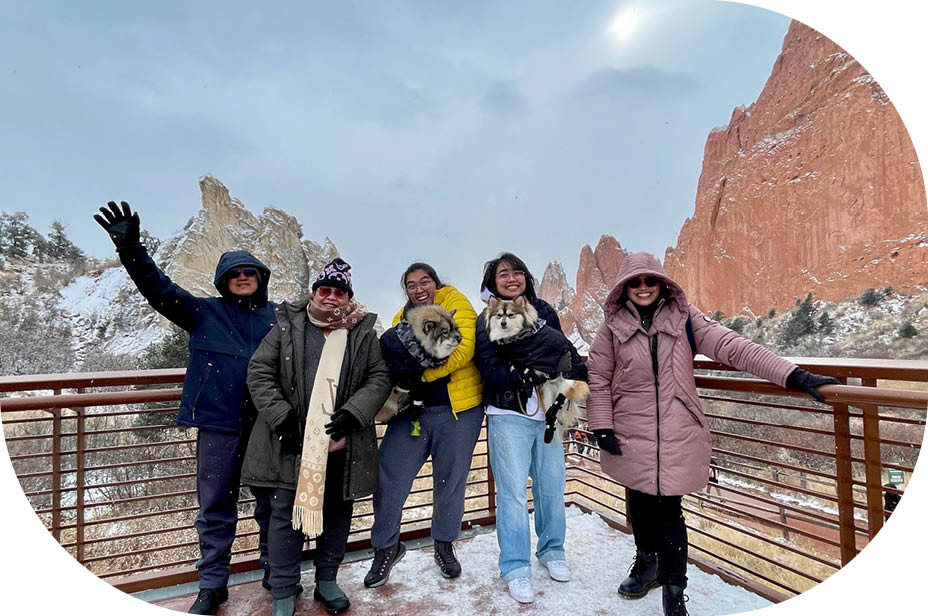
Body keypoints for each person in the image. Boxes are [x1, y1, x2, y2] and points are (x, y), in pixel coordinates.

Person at [586, 252, 839, 616]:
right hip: (630, 430)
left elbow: (733, 347)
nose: (643, 288)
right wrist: (602, 425)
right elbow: (598, 378)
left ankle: (674, 594)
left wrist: (793, 375)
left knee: (669, 510)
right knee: (640, 503)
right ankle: (646, 565)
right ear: (623, 289)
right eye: (635, 283)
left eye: (650, 281)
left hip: (677, 429)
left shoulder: (686, 318)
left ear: (662, 284)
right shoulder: (611, 326)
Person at [94, 201, 276, 614]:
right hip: (218, 425)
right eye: (235, 273)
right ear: (223, 280)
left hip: (268, 426)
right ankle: (213, 585)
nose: (243, 278)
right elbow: (157, 288)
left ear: (260, 278)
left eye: (249, 272)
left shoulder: (279, 318)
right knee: (215, 508)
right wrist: (131, 251)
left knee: (271, 504)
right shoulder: (202, 313)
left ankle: (275, 573)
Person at [242, 257, 391, 616]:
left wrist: (353, 413)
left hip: (343, 442)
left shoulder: (362, 333)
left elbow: (379, 378)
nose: (331, 297)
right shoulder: (286, 327)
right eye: (325, 290)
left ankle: (327, 580)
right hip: (291, 441)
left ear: (348, 297)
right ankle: (283, 590)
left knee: (338, 513)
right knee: (286, 517)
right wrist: (282, 418)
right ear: (314, 293)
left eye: (340, 292)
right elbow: (259, 371)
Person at [473, 252, 587, 604]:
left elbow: (566, 355)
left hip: (549, 414)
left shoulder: (545, 311)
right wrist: (526, 374)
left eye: (517, 272)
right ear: (492, 283)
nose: (511, 278)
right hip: (509, 414)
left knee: (552, 485)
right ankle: (516, 567)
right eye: (503, 274)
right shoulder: (487, 319)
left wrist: (566, 393)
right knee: (511, 494)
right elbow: (488, 368)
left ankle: (552, 551)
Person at [364, 263, 484, 587]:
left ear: (435, 282)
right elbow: (394, 363)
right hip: (411, 414)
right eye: (412, 285)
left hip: (458, 411)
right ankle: (386, 547)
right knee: (389, 478)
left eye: (425, 281)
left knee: (451, 483)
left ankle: (444, 545)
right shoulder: (398, 320)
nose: (419, 289)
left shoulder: (455, 301)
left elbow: (461, 348)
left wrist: (421, 375)